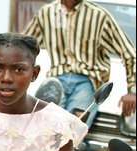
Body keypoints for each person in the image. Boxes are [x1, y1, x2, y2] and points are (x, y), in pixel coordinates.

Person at [23, 0, 136, 129]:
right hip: (57, 80)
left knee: (72, 132)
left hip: (87, 82)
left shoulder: (99, 16)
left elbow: (130, 53)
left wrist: (133, 90)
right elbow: (23, 46)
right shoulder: (46, 13)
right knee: (43, 130)